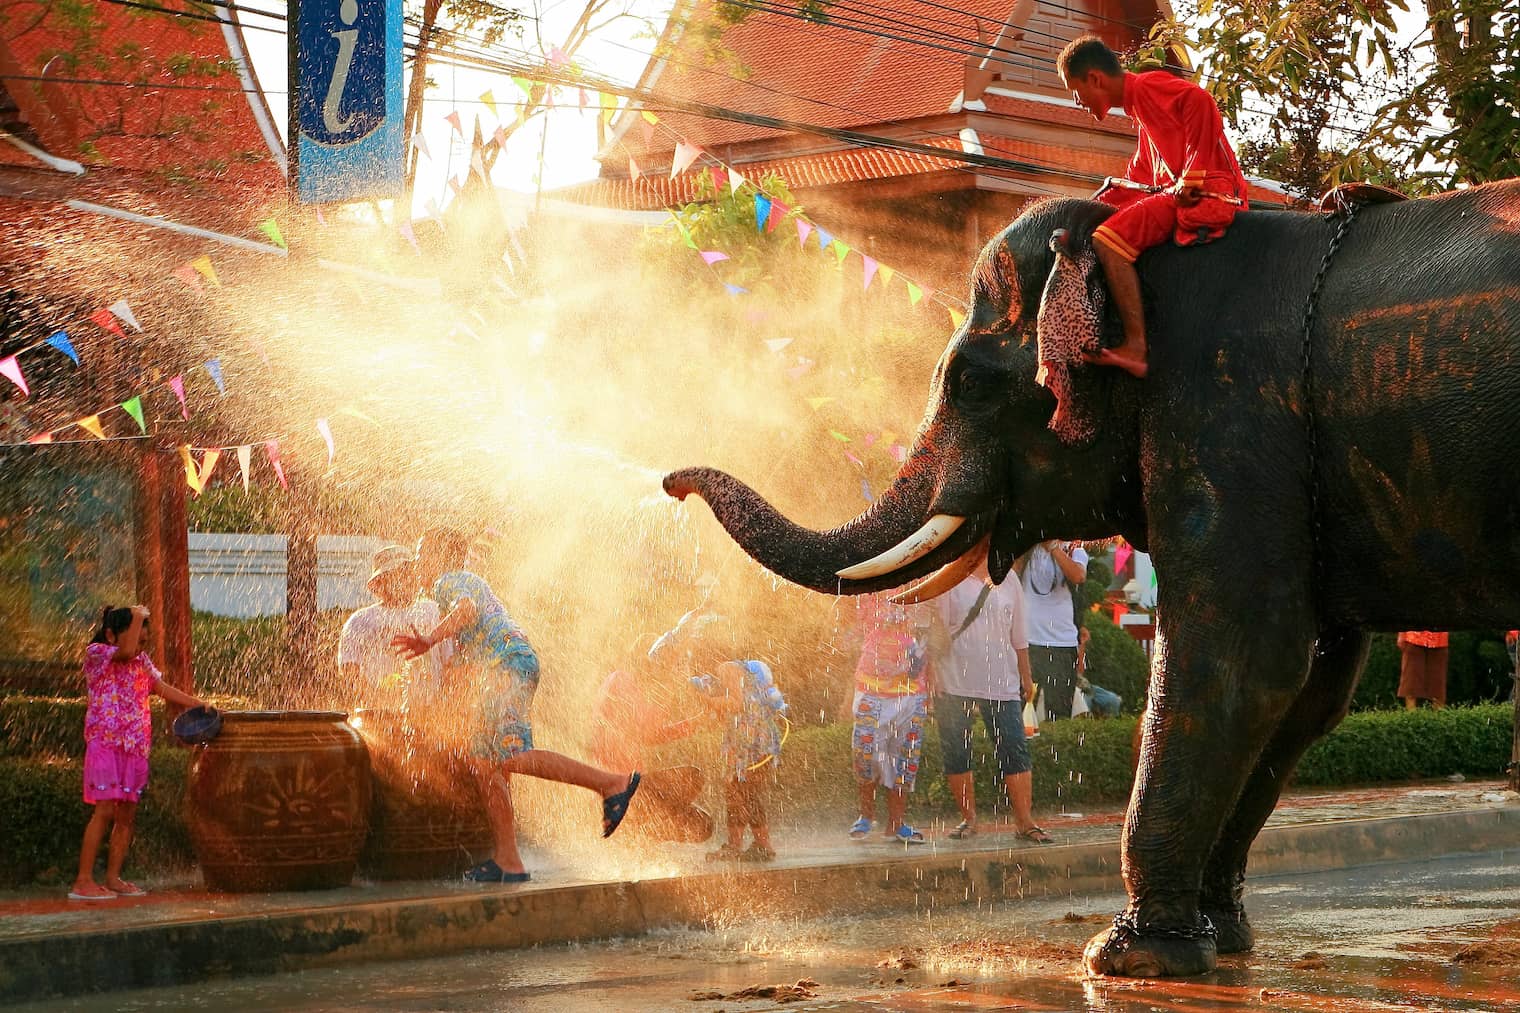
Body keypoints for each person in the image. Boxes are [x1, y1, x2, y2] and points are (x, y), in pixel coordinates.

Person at [392, 527, 640, 884]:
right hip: (505, 665)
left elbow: (467, 609)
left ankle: (611, 783)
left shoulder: (450, 581)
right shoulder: (464, 583)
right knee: (483, 763)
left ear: (437, 556)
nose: (416, 562)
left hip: (506, 664)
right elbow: (467, 647)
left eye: (420, 554)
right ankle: (508, 860)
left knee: (510, 756)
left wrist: (429, 640)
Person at [1057, 35, 1249, 379]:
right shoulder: (1140, 112)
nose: (1078, 102)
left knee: (1107, 242)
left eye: (1076, 91)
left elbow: (1200, 99)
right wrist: (1085, 212)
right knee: (1104, 225)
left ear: (1095, 79)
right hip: (1181, 196)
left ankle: (1135, 347)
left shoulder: (1147, 88)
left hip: (1209, 195)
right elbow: (1138, 179)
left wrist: (1194, 176)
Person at [72, 604, 207, 901]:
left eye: (144, 640)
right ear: (110, 634)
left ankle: (113, 877)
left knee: (126, 816)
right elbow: (124, 652)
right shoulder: (97, 654)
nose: (140, 646)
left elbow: (162, 688)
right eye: (136, 636)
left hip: (134, 748)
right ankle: (83, 881)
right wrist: (136, 614)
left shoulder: (140, 661)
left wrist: (198, 704)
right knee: (105, 810)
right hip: (105, 745)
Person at [934, 565, 1050, 844]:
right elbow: (937, 633)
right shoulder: (949, 576)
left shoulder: (1008, 579)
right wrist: (933, 673)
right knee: (957, 750)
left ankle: (1025, 821)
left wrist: (1026, 676)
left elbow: (1019, 635)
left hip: (1002, 681)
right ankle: (969, 819)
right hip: (954, 679)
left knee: (1014, 748)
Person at [847, 594, 938, 845]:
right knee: (865, 754)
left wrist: (931, 679)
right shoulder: (868, 587)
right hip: (871, 688)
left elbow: (930, 637)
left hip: (911, 692)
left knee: (904, 757)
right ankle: (866, 815)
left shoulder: (924, 588)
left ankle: (896, 823)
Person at [692, 656, 787, 862]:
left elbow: (736, 704)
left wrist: (704, 699)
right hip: (754, 739)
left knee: (739, 792)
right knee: (744, 793)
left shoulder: (727, 667)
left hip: (749, 741)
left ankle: (744, 846)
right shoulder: (737, 669)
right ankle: (759, 845)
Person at [337, 545, 452, 709]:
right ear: (379, 583)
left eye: (408, 573)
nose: (405, 579)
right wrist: (376, 701)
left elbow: (450, 662)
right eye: (398, 574)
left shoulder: (434, 611)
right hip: (379, 713)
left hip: (431, 712)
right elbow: (350, 671)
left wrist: (445, 706)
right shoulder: (360, 621)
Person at [1018, 539, 1090, 722]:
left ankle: (1054, 748)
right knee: (1021, 711)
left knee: (1059, 714)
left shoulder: (1075, 548)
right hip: (1026, 642)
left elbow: (1079, 576)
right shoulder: (1026, 550)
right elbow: (1008, 574)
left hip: (1061, 643)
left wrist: (1053, 547)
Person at [1397, 630, 1449, 710]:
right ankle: (1411, 718)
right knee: (1410, 682)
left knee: (1438, 684)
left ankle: (1439, 718)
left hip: (1439, 638)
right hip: (1412, 637)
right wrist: (1402, 635)